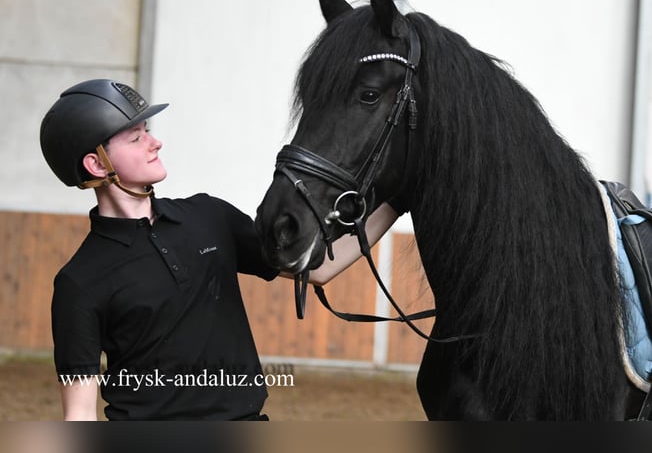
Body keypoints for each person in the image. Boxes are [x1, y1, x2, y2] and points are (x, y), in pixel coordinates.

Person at [39, 79, 399, 421]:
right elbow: (80, 413)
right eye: (136, 138)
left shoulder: (210, 216)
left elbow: (317, 269)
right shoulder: (79, 283)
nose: (155, 143)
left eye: (147, 132)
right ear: (97, 164)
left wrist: (397, 202)